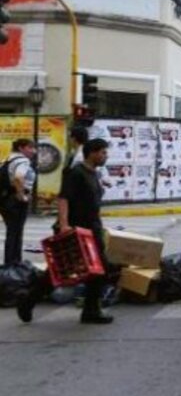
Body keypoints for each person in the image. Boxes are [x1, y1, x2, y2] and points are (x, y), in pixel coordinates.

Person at [57, 138, 114, 324]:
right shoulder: (76, 173)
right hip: (77, 229)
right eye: (103, 152)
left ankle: (91, 311)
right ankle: (30, 297)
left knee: (100, 269)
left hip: (93, 228)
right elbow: (63, 198)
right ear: (92, 153)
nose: (106, 156)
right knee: (66, 269)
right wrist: (64, 224)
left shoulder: (94, 174)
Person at [0, 139, 36, 265]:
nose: (33, 151)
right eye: (30, 147)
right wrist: (21, 195)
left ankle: (10, 264)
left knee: (12, 232)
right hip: (16, 201)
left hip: (5, 200)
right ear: (21, 148)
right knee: (16, 233)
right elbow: (18, 177)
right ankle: (14, 264)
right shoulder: (23, 161)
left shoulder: (7, 159)